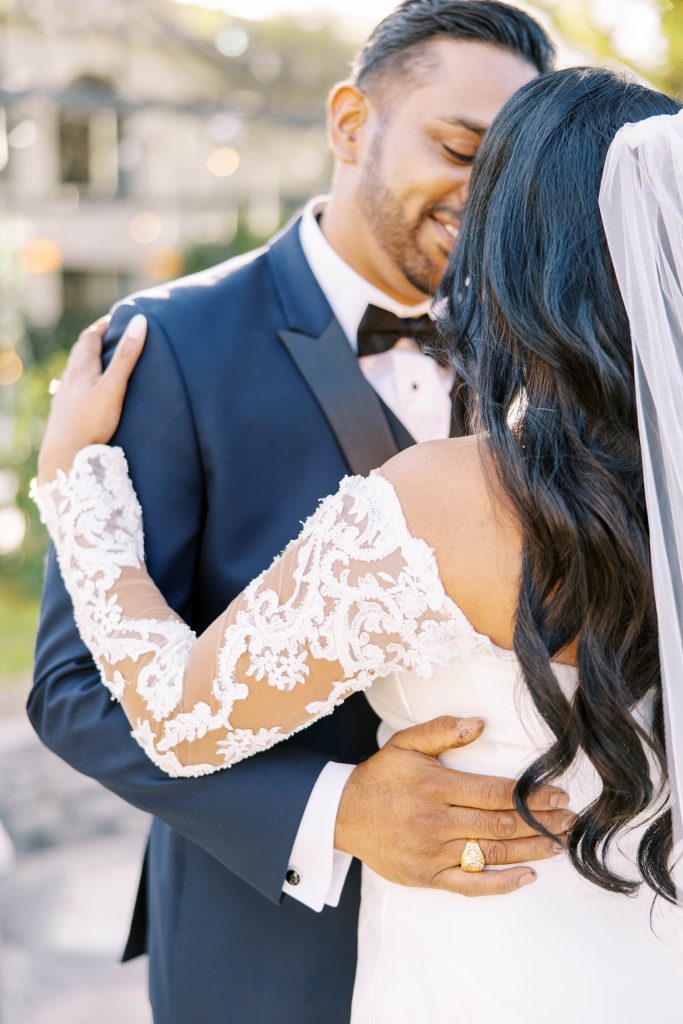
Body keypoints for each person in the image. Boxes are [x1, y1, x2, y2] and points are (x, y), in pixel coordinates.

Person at [31, 65, 683, 1022]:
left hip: (487, 970)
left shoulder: (443, 499)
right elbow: (67, 691)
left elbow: (172, 714)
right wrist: (333, 807)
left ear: (516, 243)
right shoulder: (176, 344)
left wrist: (74, 487)